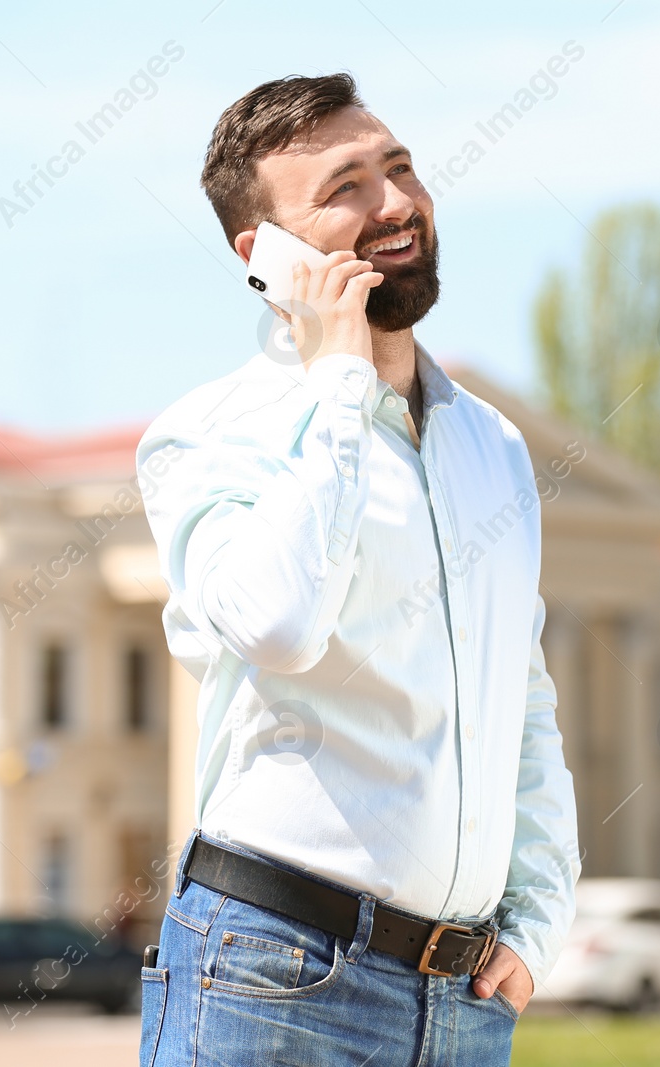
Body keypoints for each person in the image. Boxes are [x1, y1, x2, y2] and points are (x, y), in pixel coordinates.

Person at [135, 73, 580, 1066]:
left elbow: (525, 698)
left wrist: (537, 918)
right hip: (274, 977)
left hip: (461, 996)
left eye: (400, 168)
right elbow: (280, 624)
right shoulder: (207, 438)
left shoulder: (492, 445)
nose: (394, 203)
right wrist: (337, 380)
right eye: (344, 187)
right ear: (265, 255)